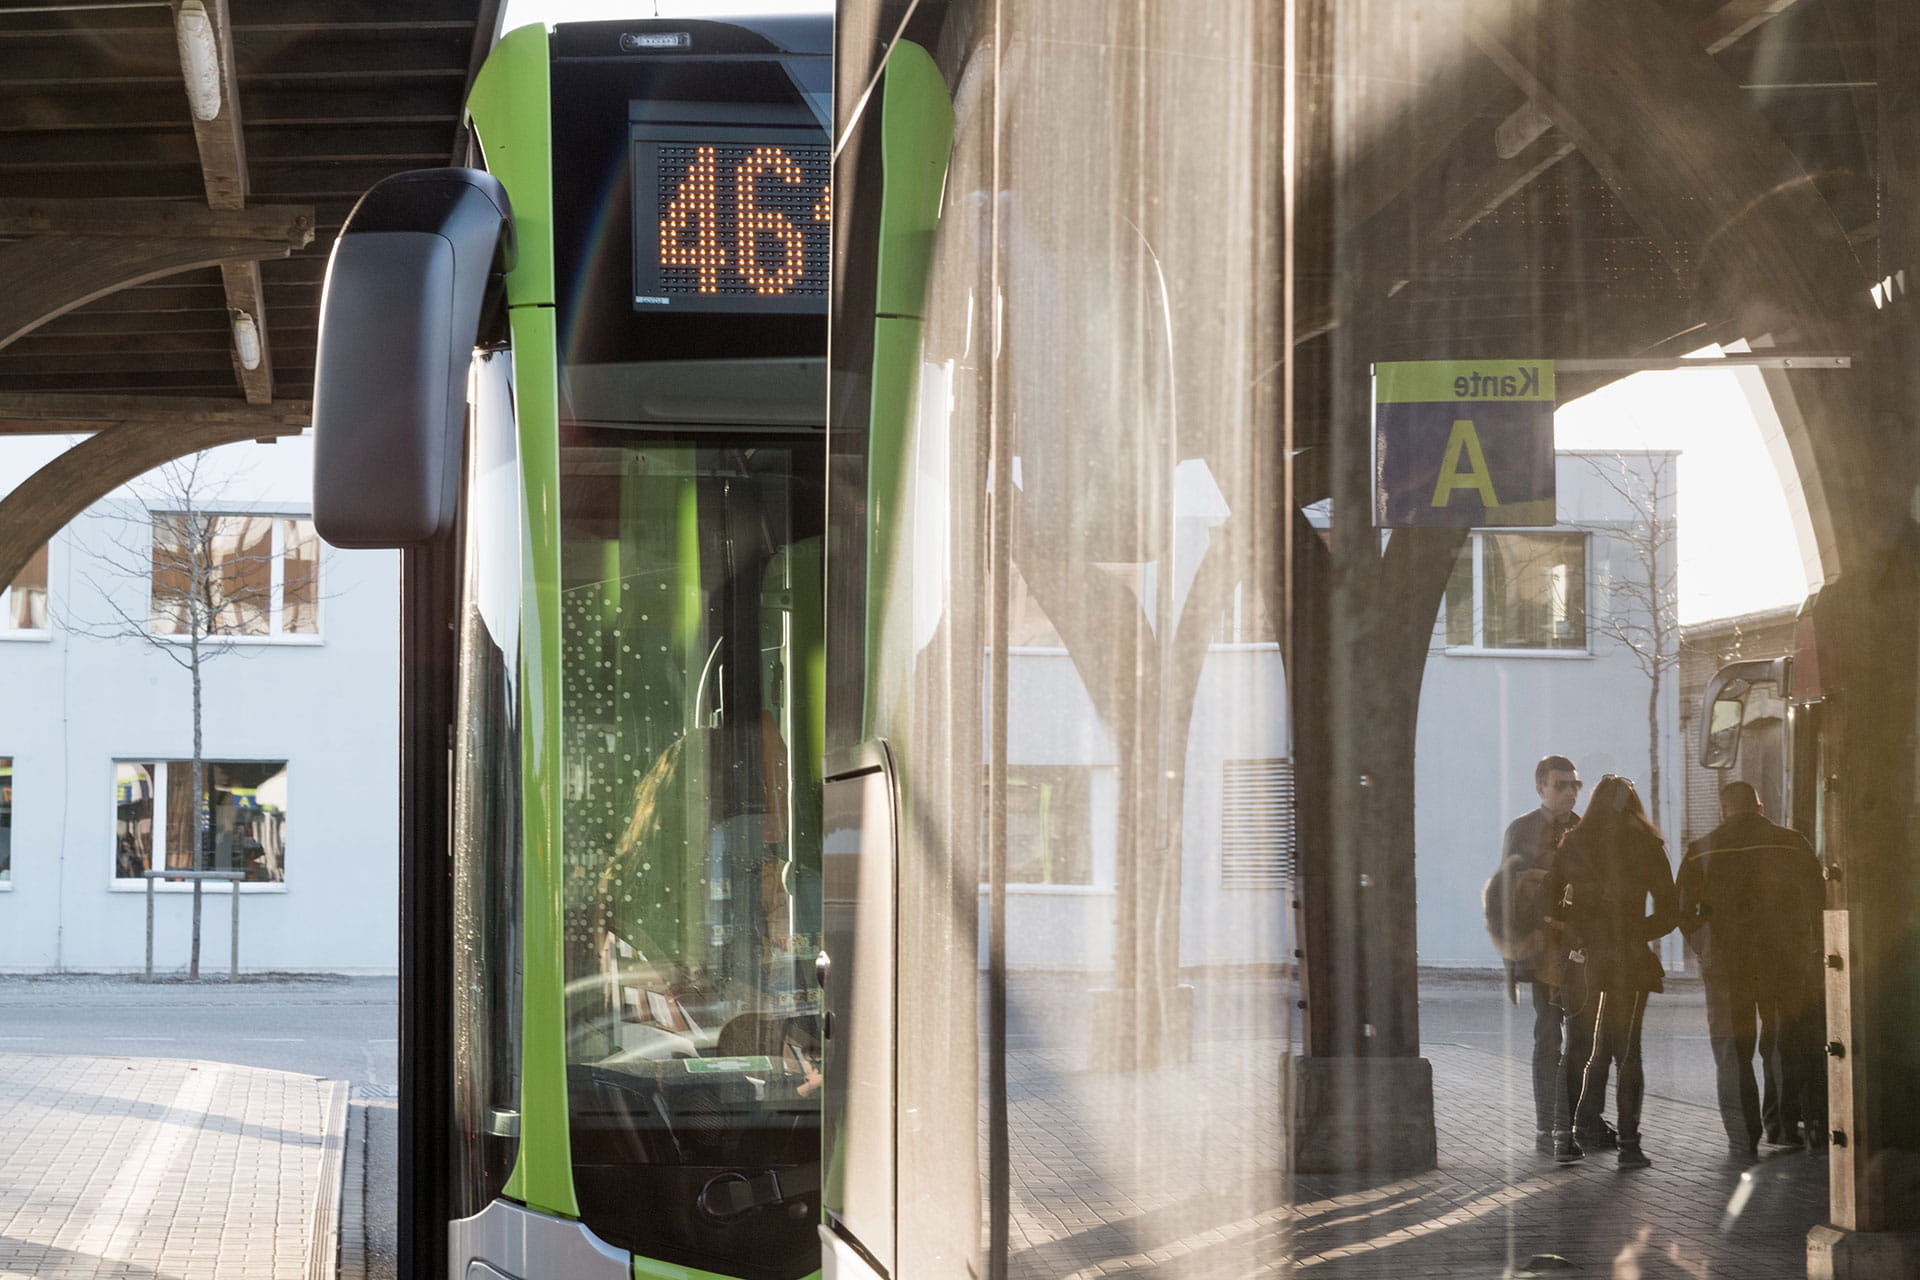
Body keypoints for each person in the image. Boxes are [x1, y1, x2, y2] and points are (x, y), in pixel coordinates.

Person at [1677, 780, 1826, 1157]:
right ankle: (1783, 1128)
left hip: (1728, 967)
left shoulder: (1701, 851)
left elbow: (1684, 912)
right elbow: (1819, 898)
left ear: (1724, 810)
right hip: (1784, 962)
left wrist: (1706, 951)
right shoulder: (1792, 842)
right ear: (1760, 808)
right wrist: (1809, 947)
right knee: (1783, 1044)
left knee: (1732, 1049)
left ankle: (1743, 1139)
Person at [1548, 774, 1677, 1169]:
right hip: (1629, 958)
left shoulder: (1575, 842)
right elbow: (1671, 911)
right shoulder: (1648, 844)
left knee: (1578, 1049)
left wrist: (1576, 925)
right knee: (1628, 1052)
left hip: (1585, 958)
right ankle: (1630, 1145)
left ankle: (1563, 1139)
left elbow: (1547, 905)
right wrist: (1637, 931)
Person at [1486, 754, 1594, 1161]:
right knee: (1549, 1037)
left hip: (1578, 949)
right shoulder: (1523, 830)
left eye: (1574, 785)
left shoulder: (1584, 829)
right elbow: (1509, 896)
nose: (1570, 792)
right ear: (1541, 788)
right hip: (1543, 950)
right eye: (1561, 784)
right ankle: (1548, 1127)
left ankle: (1569, 1125)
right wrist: (1517, 956)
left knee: (1581, 1041)